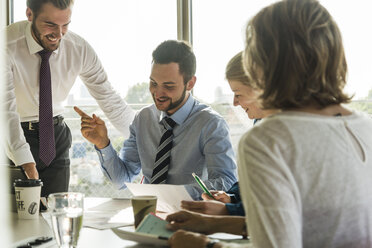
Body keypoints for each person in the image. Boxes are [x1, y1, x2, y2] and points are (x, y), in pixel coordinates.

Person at [166, 0, 372, 247]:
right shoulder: (364, 125)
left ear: (263, 64)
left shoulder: (269, 140)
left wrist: (204, 245)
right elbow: (312, 225)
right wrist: (212, 223)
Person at [75, 40, 237, 200]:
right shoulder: (143, 119)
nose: (158, 93)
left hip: (192, 214)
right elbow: (121, 180)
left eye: (168, 86)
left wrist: (171, 194)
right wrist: (103, 144)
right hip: (150, 212)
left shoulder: (211, 124)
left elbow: (226, 182)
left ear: (190, 83)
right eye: (153, 83)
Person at [4, 0, 134, 197]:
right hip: (12, 137)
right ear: (29, 14)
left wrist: (143, 141)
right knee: (16, 220)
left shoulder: (78, 48)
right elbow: (5, 112)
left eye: (65, 25)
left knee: (55, 212)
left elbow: (109, 98)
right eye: (50, 25)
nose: (59, 34)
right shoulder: (5, 45)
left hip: (55, 137)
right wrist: (25, 161)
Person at [181, 51, 276, 216]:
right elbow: (254, 182)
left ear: (261, 90)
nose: (234, 102)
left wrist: (227, 211)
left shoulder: (286, 136)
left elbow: (272, 204)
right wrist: (231, 197)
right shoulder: (260, 122)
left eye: (238, 94)